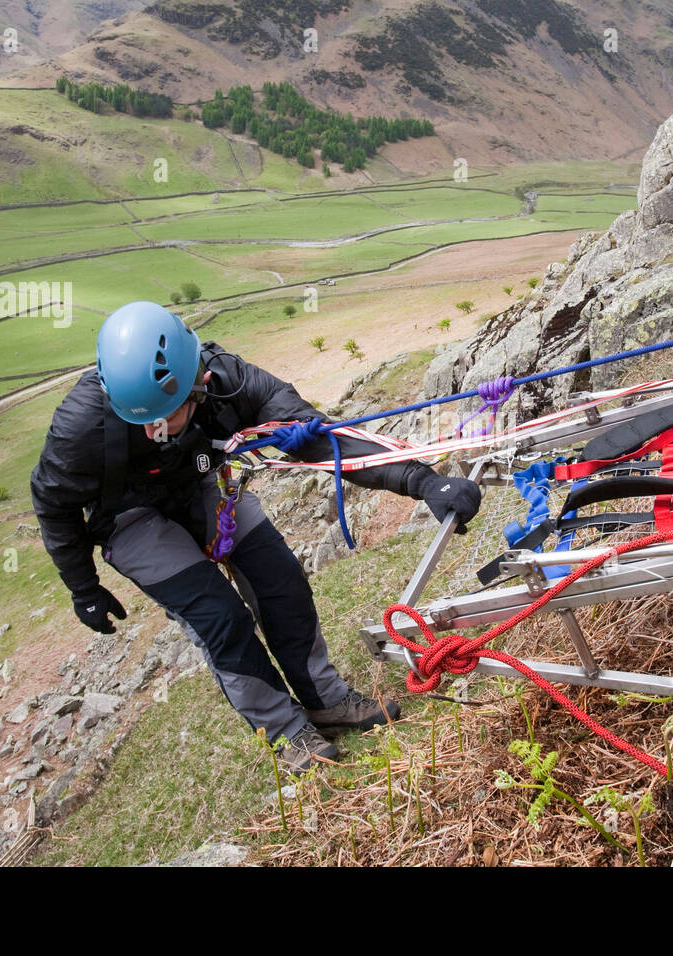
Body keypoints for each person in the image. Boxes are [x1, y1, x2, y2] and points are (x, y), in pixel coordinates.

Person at [30, 301, 481, 771]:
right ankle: (286, 731)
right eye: (140, 420)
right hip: (129, 518)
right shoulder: (79, 429)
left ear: (197, 384)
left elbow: (324, 437)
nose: (151, 429)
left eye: (164, 416)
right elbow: (53, 505)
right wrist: (83, 588)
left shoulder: (232, 384)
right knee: (219, 617)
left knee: (279, 578)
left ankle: (324, 699)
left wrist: (423, 481)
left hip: (202, 485)